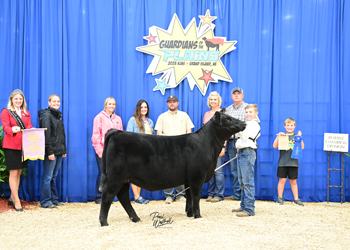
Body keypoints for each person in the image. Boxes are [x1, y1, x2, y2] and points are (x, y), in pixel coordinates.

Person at [155, 95, 194, 204]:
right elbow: (159, 133)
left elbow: (189, 131)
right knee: (167, 172)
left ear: (177, 103)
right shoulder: (162, 117)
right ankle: (169, 195)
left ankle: (181, 195)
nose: (172, 103)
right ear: (167, 104)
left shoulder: (184, 115)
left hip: (182, 148)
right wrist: (165, 144)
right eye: (170, 102)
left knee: (181, 172)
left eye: (174, 102)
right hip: (166, 149)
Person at [1, 89, 33, 211]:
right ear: (12, 100)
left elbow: (28, 126)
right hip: (11, 146)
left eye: (20, 99)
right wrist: (12, 130)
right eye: (16, 99)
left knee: (19, 172)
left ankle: (12, 196)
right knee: (13, 173)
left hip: (23, 146)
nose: (18, 101)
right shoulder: (6, 112)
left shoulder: (26, 113)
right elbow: (6, 127)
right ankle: (16, 200)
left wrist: (32, 129)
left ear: (23, 100)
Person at [91, 97, 123, 204]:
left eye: (113, 104)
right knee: (102, 173)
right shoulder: (98, 118)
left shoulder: (118, 118)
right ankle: (99, 197)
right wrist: (99, 151)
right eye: (109, 104)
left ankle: (110, 197)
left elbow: (121, 135)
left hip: (115, 151)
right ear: (105, 105)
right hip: (103, 150)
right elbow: (95, 136)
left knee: (113, 174)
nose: (111, 106)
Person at [38, 94, 67, 208]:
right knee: (48, 176)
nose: (56, 103)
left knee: (53, 176)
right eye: (54, 101)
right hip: (51, 151)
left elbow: (61, 134)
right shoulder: (46, 115)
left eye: (58, 101)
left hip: (59, 150)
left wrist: (63, 149)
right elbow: (46, 134)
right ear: (49, 102)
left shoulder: (58, 115)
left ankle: (54, 199)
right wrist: (49, 152)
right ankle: (45, 201)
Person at [231, 104, 260, 217]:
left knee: (247, 181)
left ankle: (249, 209)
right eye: (246, 112)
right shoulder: (246, 124)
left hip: (247, 152)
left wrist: (237, 128)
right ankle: (243, 205)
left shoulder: (254, 125)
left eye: (250, 112)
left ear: (255, 113)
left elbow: (244, 137)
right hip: (241, 152)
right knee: (242, 181)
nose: (248, 114)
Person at [126, 100, 155, 205]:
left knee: (141, 175)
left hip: (147, 153)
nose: (144, 109)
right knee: (134, 174)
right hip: (135, 151)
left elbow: (153, 137)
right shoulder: (133, 120)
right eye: (142, 107)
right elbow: (128, 136)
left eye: (145, 107)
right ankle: (137, 197)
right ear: (138, 108)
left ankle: (139, 196)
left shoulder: (150, 122)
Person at [272, 118, 305, 206]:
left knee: (293, 181)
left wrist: (300, 138)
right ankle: (279, 198)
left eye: (291, 125)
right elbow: (274, 146)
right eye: (288, 125)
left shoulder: (296, 136)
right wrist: (278, 136)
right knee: (282, 180)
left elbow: (302, 148)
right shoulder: (282, 136)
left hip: (293, 163)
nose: (289, 127)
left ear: (294, 126)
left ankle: (296, 199)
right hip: (282, 162)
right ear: (284, 126)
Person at [203, 91, 226, 203]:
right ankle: (211, 194)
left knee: (218, 170)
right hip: (207, 146)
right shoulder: (207, 114)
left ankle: (219, 194)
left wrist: (223, 146)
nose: (213, 101)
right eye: (211, 99)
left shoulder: (222, 113)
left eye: (215, 99)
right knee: (209, 170)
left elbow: (224, 131)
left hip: (217, 145)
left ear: (218, 101)